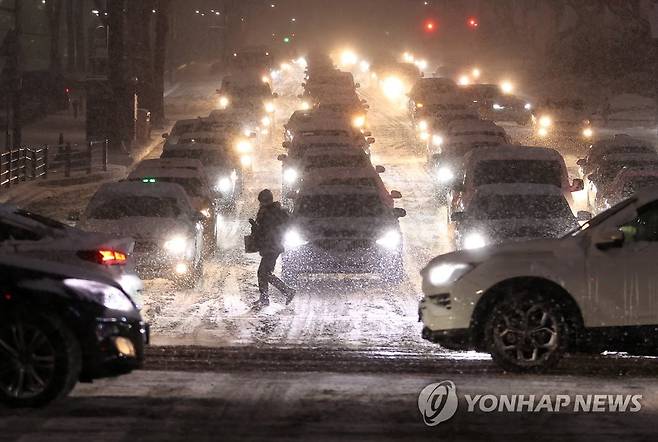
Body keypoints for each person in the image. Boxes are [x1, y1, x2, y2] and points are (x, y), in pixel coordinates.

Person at [250, 189, 295, 309]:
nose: (260, 203)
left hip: (272, 247)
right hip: (271, 246)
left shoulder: (271, 212)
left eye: (262, 201)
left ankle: (287, 291)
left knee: (265, 273)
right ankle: (265, 298)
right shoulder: (272, 211)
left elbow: (265, 230)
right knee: (263, 272)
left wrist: (255, 226)